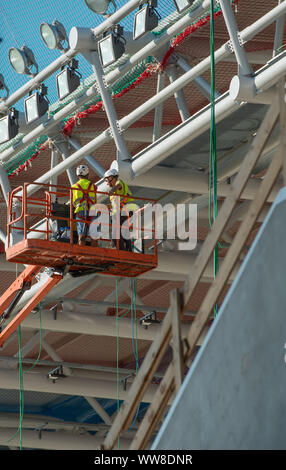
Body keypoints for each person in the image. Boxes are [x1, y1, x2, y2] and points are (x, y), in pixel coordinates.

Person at [104, 168, 137, 252]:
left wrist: (112, 190)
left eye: (107, 180)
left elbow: (118, 186)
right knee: (124, 233)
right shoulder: (114, 195)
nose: (107, 183)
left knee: (116, 236)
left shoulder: (119, 183)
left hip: (123, 211)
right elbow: (115, 204)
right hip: (123, 212)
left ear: (112, 177)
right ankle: (129, 251)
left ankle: (122, 252)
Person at [72, 164, 97, 246]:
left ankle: (81, 250)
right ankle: (95, 252)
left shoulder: (74, 187)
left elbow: (74, 203)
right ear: (88, 174)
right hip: (92, 210)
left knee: (81, 234)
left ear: (77, 175)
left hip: (80, 211)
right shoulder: (93, 186)